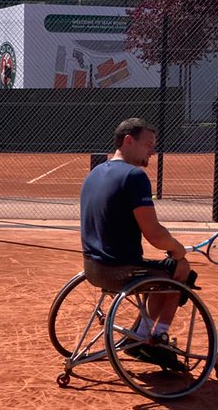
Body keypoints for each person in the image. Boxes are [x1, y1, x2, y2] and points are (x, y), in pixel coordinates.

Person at [79, 118, 195, 369]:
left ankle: (141, 335)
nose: (152, 151)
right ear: (128, 141)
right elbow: (153, 233)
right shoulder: (134, 176)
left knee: (162, 272)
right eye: (148, 144)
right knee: (181, 269)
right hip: (121, 271)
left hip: (93, 269)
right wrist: (177, 249)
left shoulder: (95, 173)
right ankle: (156, 337)